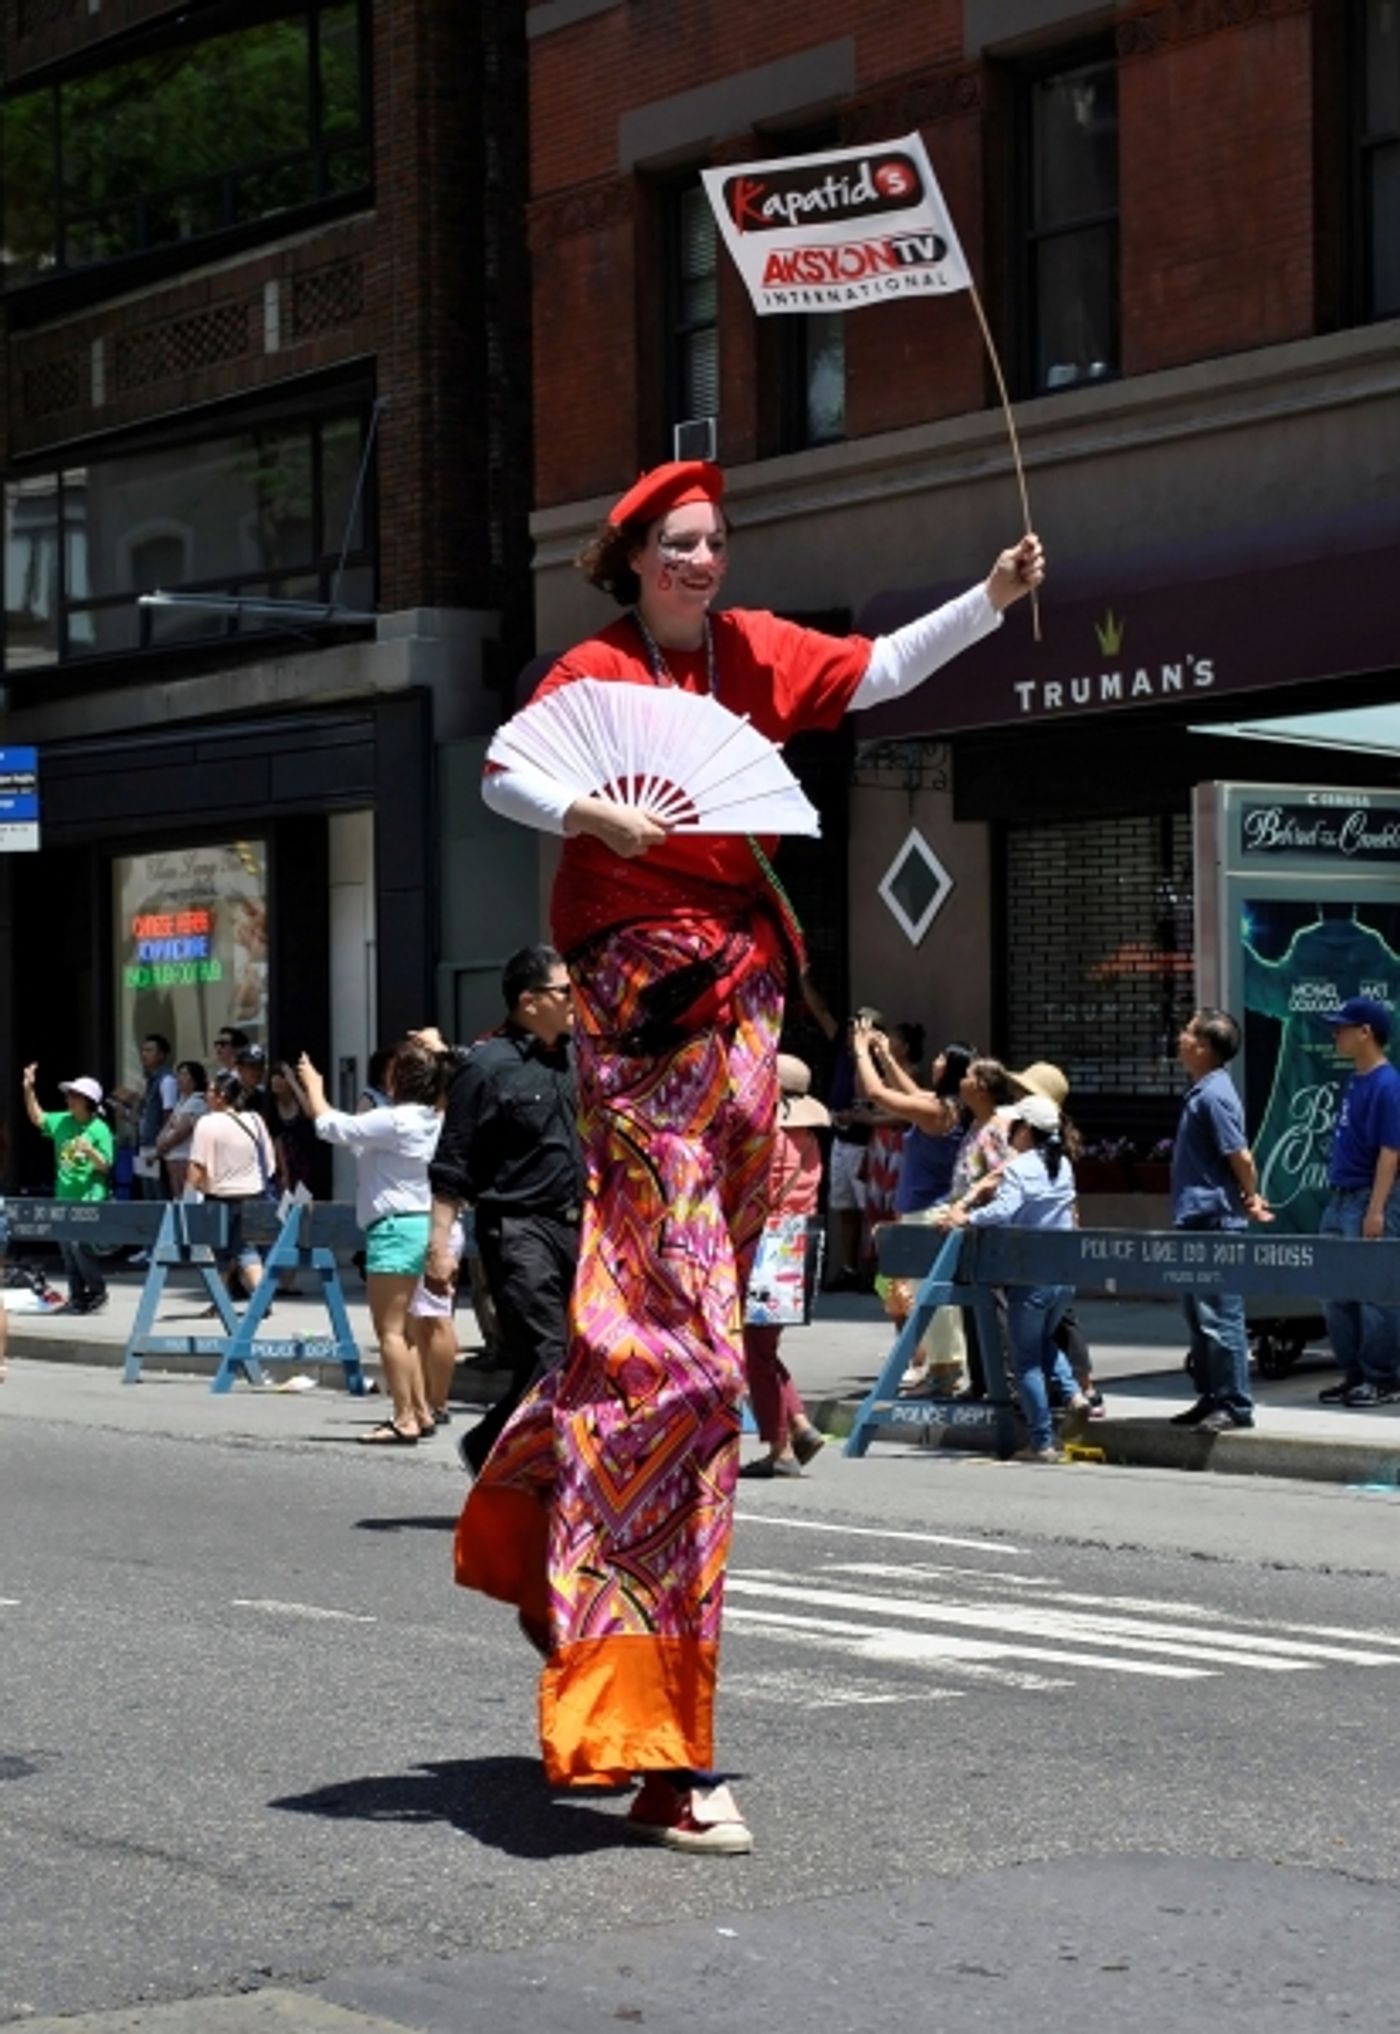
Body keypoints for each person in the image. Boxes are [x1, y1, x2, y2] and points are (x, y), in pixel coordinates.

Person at [459, 456, 1044, 1853]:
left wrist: (991, 595)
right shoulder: (591, 671)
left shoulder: (752, 655)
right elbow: (506, 775)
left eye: (718, 541)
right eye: (680, 544)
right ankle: (660, 1743)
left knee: (661, 1361)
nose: (704, 562)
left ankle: (555, 1493)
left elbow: (883, 667)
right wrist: (594, 816)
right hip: (646, 1020)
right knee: (682, 1378)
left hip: (742, 1019)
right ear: (630, 559)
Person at [435, 946, 582, 1477]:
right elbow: (452, 1163)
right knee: (549, 1357)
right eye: (565, 991)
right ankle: (533, 1467)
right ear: (529, 1000)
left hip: (578, 1228)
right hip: (517, 1231)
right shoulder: (484, 1067)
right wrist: (440, 1246)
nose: (575, 1000)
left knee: (572, 1360)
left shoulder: (576, 1056)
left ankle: (490, 1448)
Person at [299, 1039, 446, 1443]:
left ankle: (404, 1418)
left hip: (395, 1228)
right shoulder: (431, 1118)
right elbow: (354, 1137)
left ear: (397, 1079)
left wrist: (314, 1086)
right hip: (422, 1224)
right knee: (411, 1329)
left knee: (391, 1331)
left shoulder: (396, 1119)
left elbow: (330, 1126)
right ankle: (420, 1410)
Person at [937, 1093, 1088, 1462]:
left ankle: (1042, 1442)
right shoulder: (1063, 1164)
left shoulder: (1021, 1168)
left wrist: (966, 1217)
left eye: (1014, 1126)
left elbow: (1005, 1210)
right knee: (1040, 1342)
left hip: (1029, 1273)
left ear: (1026, 1130)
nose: (1009, 1133)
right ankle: (1073, 1394)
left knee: (1025, 1360)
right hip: (1062, 1272)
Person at [1169, 1009, 1270, 1432]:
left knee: (1220, 1316)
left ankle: (1234, 1404)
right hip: (1196, 1220)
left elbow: (1240, 1154)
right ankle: (1211, 1396)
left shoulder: (1215, 1095)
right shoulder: (1203, 1092)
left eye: (1188, 1032)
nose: (1180, 1038)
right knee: (1198, 1317)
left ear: (1204, 1047)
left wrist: (1250, 1194)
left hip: (1215, 1221)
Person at [740, 1054, 829, 1478]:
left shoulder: (767, 1137)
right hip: (797, 1242)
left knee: (755, 1350)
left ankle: (782, 1449)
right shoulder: (808, 1138)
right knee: (762, 1347)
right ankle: (799, 1424)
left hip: (765, 1244)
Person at [1315, 997, 1400, 1407]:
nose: (1337, 1034)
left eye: (1343, 1027)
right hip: (1340, 1196)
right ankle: (1353, 1374)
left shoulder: (1388, 1083)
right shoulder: (1357, 1079)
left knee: (1374, 1293)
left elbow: (1391, 1151)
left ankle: (1382, 1377)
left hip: (1368, 1196)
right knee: (1334, 1290)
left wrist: (1377, 1209)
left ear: (1366, 1032)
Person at [21, 1066, 114, 1314]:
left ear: (88, 1102)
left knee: (78, 1245)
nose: (69, 1099)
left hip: (89, 1198)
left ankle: (96, 1289)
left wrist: (91, 1151)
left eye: (75, 1096)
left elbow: (105, 1167)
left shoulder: (99, 1129)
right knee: (67, 1248)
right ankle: (77, 1296)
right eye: (69, 1095)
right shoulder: (63, 1121)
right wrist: (28, 1088)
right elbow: (37, 1117)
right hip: (64, 1196)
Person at [186, 1072, 277, 1312]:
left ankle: (224, 1301)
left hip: (220, 1197)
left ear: (221, 1096)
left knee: (221, 1252)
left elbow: (197, 1166)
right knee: (247, 1248)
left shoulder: (207, 1123)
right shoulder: (255, 1120)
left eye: (209, 1091)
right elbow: (269, 1162)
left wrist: (187, 1196)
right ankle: (256, 1298)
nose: (205, 1096)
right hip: (255, 1196)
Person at [154, 1059, 209, 1199]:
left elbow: (180, 1132)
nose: (179, 1079)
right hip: (173, 1158)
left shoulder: (197, 1101)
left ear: (194, 1079)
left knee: (188, 1198)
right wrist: (160, 1141)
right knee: (177, 1199)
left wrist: (161, 1148)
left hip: (186, 1158)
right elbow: (168, 1126)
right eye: (178, 1074)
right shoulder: (181, 1102)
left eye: (184, 1074)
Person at [133, 1033, 178, 1202]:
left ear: (162, 1055)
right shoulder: (150, 1081)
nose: (144, 1054)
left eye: (149, 1050)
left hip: (157, 1148)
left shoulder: (166, 1080)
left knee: (160, 1196)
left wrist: (162, 1148)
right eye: (143, 1050)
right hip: (145, 1146)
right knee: (148, 1196)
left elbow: (169, 1115)